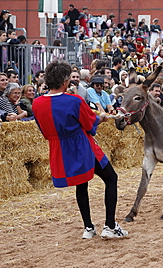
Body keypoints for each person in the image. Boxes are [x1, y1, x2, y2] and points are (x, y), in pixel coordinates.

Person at [32, 60, 128, 239]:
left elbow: (44, 131)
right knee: (111, 178)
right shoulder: (74, 100)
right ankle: (110, 225)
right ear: (64, 81)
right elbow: (90, 125)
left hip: (60, 150)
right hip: (83, 147)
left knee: (81, 184)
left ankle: (88, 228)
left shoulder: (37, 103)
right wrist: (101, 117)